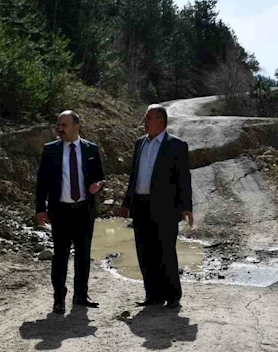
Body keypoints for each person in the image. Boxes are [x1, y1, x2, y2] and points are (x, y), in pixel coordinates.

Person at [118, 104, 193, 310]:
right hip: (140, 206)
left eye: (148, 118)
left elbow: (183, 179)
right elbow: (134, 176)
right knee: (145, 252)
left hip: (165, 208)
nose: (144, 122)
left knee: (165, 252)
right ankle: (152, 295)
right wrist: (126, 202)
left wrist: (186, 207)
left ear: (160, 120)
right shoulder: (139, 144)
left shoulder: (176, 145)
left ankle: (172, 296)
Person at [35, 110, 105, 313]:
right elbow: (42, 183)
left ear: (77, 126)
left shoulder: (91, 149)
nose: (60, 129)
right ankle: (59, 298)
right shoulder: (51, 150)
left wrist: (98, 186)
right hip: (60, 211)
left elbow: (101, 177)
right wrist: (40, 209)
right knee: (60, 256)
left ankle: (81, 296)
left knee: (83, 256)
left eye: (64, 125)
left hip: (84, 210)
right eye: (58, 125)